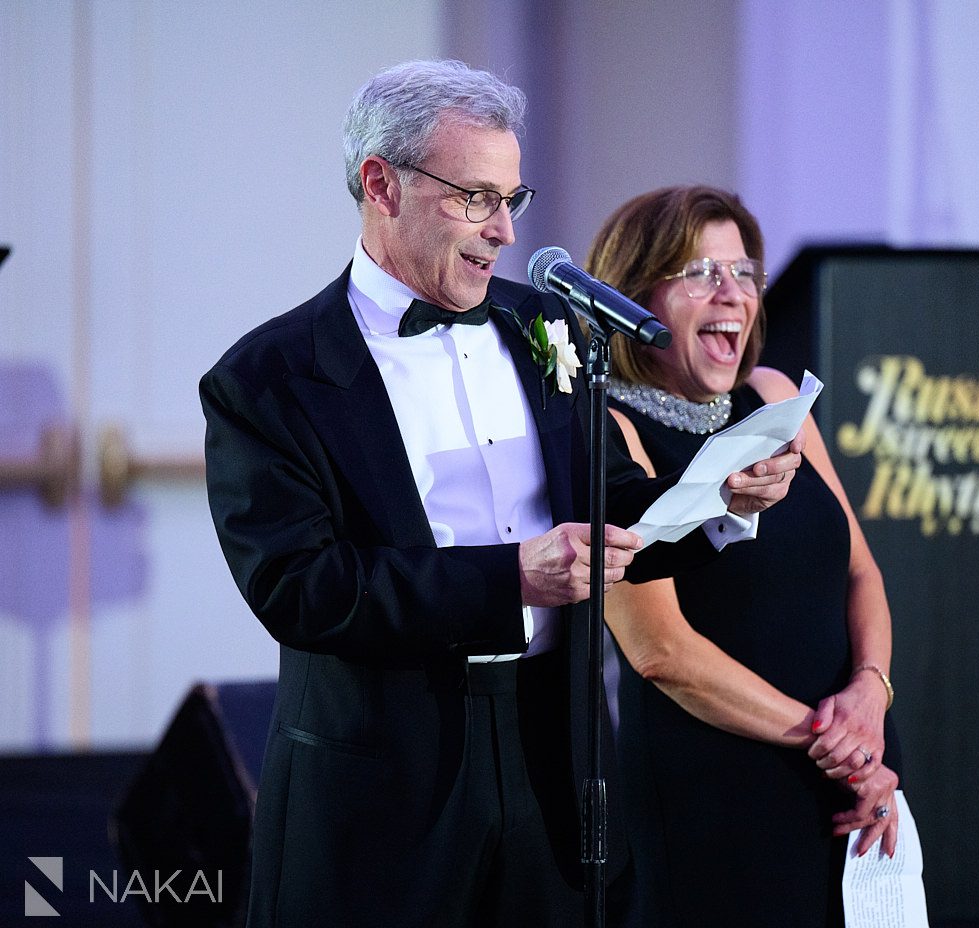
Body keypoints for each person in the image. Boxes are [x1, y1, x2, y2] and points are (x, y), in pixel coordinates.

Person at [200, 63, 803, 928]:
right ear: (381, 184)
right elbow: (302, 589)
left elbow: (619, 507)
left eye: (512, 201)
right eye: (477, 198)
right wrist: (510, 578)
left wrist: (721, 498)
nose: (504, 233)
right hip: (383, 775)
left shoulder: (544, 327)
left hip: (555, 755)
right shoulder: (267, 377)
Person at [586, 185, 902, 928]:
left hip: (852, 767)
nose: (732, 292)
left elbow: (860, 569)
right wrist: (840, 745)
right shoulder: (608, 428)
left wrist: (871, 694)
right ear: (635, 296)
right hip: (720, 791)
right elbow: (659, 650)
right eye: (699, 272)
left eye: (743, 271)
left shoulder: (774, 395)